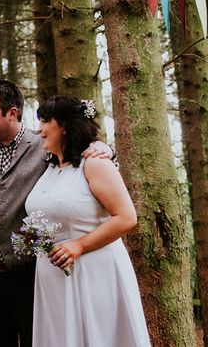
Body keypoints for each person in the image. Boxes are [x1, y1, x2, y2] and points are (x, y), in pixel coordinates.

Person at [0, 79, 112, 346]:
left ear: (12, 113)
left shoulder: (44, 145)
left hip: (29, 276)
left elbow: (83, 159)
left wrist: (106, 148)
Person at [25, 95, 150, 345]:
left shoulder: (94, 164)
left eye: (45, 121)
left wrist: (79, 245)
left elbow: (126, 217)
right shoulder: (50, 168)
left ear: (65, 126)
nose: (38, 129)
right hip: (54, 278)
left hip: (93, 271)